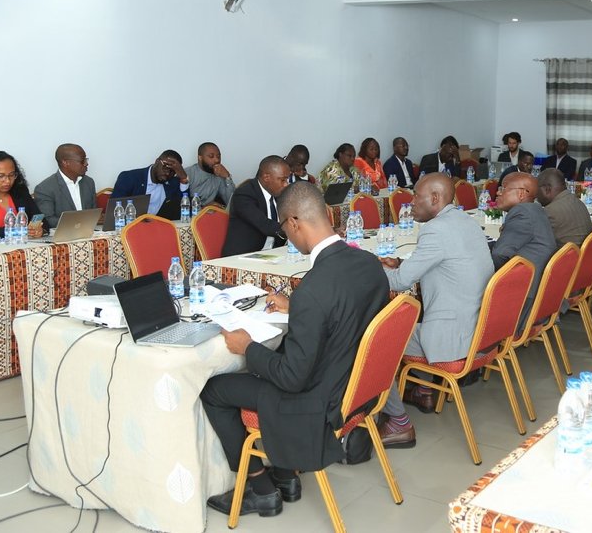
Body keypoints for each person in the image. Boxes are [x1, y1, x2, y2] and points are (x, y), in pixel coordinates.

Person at [201, 182, 390, 519]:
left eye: (285, 230)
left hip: (319, 402)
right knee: (272, 358)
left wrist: (248, 347)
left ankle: (260, 489)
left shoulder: (313, 289)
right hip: (356, 388)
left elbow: (291, 378)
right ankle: (286, 477)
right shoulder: (368, 263)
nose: (287, 236)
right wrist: (296, 309)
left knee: (214, 389)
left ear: (293, 223)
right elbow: (346, 312)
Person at [375, 173, 494, 448]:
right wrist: (402, 263)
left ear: (436, 198)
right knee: (419, 317)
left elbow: (400, 282)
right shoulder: (464, 220)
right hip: (480, 330)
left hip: (454, 340)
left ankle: (398, 423)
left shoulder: (435, 230)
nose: (411, 202)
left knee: (375, 343)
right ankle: (425, 389)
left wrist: (370, 267)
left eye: (417, 196)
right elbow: (446, 261)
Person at [491, 172, 556, 331]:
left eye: (503, 188)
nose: (498, 193)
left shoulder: (522, 213)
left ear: (521, 194)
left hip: (522, 304)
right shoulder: (535, 210)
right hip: (541, 300)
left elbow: (500, 254)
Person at [221, 156, 291, 257]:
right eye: (283, 180)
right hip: (243, 257)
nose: (286, 184)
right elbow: (264, 224)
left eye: (287, 179)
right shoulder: (244, 194)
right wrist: (295, 230)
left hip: (273, 254)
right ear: (266, 178)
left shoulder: (278, 194)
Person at [33, 143, 96, 229]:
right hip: (62, 234)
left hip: (88, 232)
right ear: (65, 162)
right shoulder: (44, 188)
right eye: (82, 161)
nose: (86, 164)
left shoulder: (89, 182)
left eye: (86, 160)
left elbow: (93, 213)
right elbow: (48, 220)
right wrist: (77, 224)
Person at [112, 150, 190, 216]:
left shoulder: (173, 183)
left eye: (172, 171)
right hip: (133, 226)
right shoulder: (129, 178)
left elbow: (185, 210)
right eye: (165, 167)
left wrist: (184, 179)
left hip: (160, 226)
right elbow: (114, 210)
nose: (167, 173)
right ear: (157, 161)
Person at [536, 168, 592, 248]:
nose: (536, 196)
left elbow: (535, 242)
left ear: (547, 189)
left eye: (537, 190)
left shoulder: (550, 211)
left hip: (568, 255)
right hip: (583, 253)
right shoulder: (578, 202)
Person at [184, 142, 235, 208]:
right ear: (200, 158)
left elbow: (231, 202)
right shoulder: (188, 173)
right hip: (191, 213)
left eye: (218, 156)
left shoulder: (219, 174)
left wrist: (227, 177)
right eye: (211, 156)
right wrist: (204, 207)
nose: (217, 160)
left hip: (211, 213)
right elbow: (180, 203)